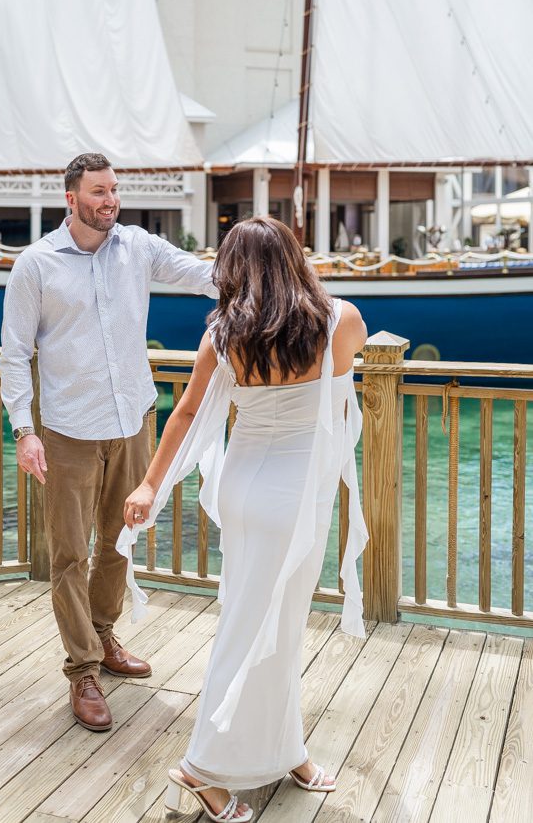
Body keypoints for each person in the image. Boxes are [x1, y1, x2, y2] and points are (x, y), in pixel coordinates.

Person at [120, 216, 368, 822]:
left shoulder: (224, 338)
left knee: (266, 625)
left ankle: (285, 749)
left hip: (246, 488)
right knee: (265, 628)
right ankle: (201, 768)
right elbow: (343, 371)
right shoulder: (342, 321)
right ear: (293, 258)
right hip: (296, 497)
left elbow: (184, 415)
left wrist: (152, 482)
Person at [0, 152, 218, 733]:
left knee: (120, 539)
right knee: (70, 555)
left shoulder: (137, 247)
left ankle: (102, 637)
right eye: (98, 191)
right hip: (68, 429)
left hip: (132, 422)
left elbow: (201, 275)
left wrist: (269, 273)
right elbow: (15, 353)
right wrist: (25, 431)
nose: (109, 200)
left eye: (114, 189)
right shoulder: (36, 265)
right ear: (71, 198)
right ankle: (82, 672)